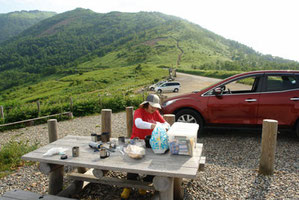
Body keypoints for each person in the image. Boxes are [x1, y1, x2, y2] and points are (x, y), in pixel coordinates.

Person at [121, 94, 170, 199]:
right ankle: (128, 186)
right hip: (137, 140)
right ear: (146, 104)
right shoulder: (139, 111)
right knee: (132, 163)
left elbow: (167, 124)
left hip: (150, 141)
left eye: (156, 107)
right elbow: (138, 123)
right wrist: (154, 125)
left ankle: (145, 184)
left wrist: (162, 126)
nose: (154, 109)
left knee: (152, 162)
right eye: (152, 106)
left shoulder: (155, 113)